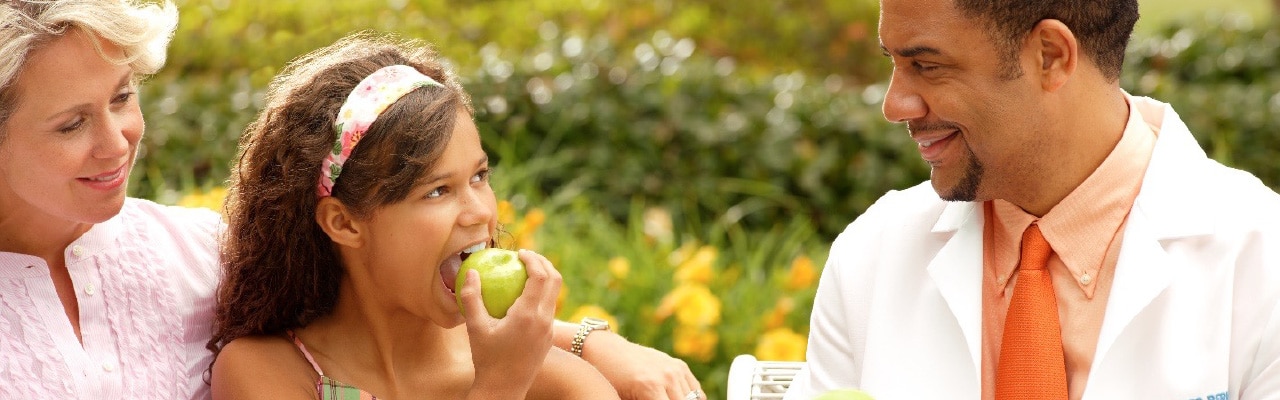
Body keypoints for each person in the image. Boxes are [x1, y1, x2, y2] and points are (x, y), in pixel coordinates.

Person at [0, 1, 700, 399]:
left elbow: (348, 290)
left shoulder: (188, 254)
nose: (118, 142)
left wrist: (589, 339)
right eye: (71, 123)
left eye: (124, 97)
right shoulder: (269, 374)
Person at [786, 0, 1280, 399]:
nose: (895, 105)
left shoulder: (1264, 262)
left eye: (926, 66)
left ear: (1050, 55)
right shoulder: (871, 256)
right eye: (893, 64)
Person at [206, 33, 680, 400]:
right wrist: (499, 387)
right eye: (437, 191)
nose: (479, 212)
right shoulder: (267, 374)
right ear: (344, 223)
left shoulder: (552, 380)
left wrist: (559, 354)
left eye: (479, 177)